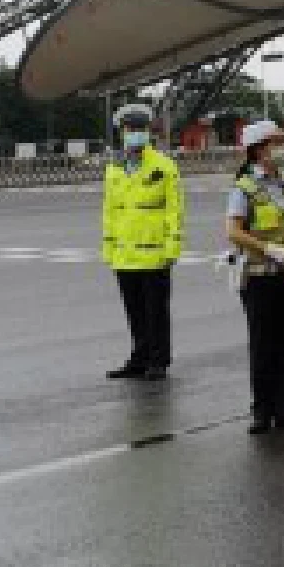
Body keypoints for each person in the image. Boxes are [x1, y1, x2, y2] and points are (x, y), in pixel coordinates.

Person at [226, 119, 284, 434]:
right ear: (259, 150)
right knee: (262, 345)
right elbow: (233, 231)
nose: (281, 148)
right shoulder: (245, 187)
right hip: (259, 277)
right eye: (275, 143)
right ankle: (262, 411)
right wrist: (268, 249)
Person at [100, 103, 184, 382]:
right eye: (130, 130)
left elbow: (174, 209)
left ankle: (158, 359)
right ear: (121, 133)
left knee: (156, 311)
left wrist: (173, 245)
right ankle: (139, 356)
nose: (135, 134)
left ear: (148, 133)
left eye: (140, 130)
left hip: (154, 251)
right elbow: (110, 210)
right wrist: (108, 246)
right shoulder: (114, 169)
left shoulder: (163, 166)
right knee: (134, 311)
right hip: (124, 253)